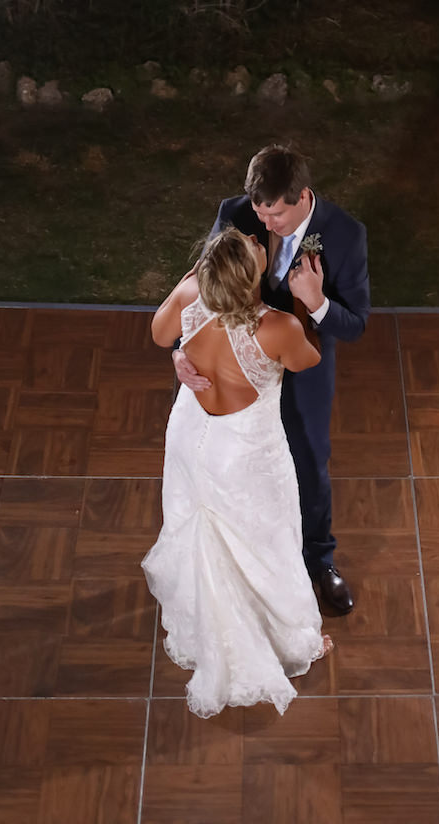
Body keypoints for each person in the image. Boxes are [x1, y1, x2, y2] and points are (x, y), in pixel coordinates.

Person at [142, 227, 332, 717]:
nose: (253, 233)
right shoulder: (276, 328)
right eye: (249, 244)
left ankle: (206, 623)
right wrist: (303, 305)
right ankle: (286, 639)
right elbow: (308, 359)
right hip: (245, 451)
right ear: (254, 278)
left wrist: (183, 338)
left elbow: (161, 333)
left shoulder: (190, 293)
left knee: (203, 529)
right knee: (264, 542)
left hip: (190, 432)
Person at [174, 143, 370, 615]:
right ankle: (246, 563)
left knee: (307, 463)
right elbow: (203, 286)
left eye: (276, 215)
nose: (264, 224)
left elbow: (356, 323)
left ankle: (319, 560)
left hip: (304, 372)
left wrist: (318, 301)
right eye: (259, 213)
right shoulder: (234, 213)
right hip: (239, 366)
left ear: (303, 196)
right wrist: (183, 350)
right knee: (237, 465)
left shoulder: (344, 235)